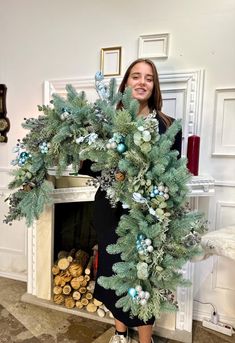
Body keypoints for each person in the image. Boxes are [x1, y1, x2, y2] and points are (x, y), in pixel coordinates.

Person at [80, 58, 182, 343]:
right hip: (110, 209)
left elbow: (173, 173)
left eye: (148, 78)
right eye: (136, 76)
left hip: (147, 213)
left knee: (143, 277)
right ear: (125, 83)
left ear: (154, 86)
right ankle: (120, 333)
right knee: (114, 271)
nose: (142, 82)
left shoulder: (168, 126)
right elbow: (88, 165)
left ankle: (145, 339)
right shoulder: (108, 122)